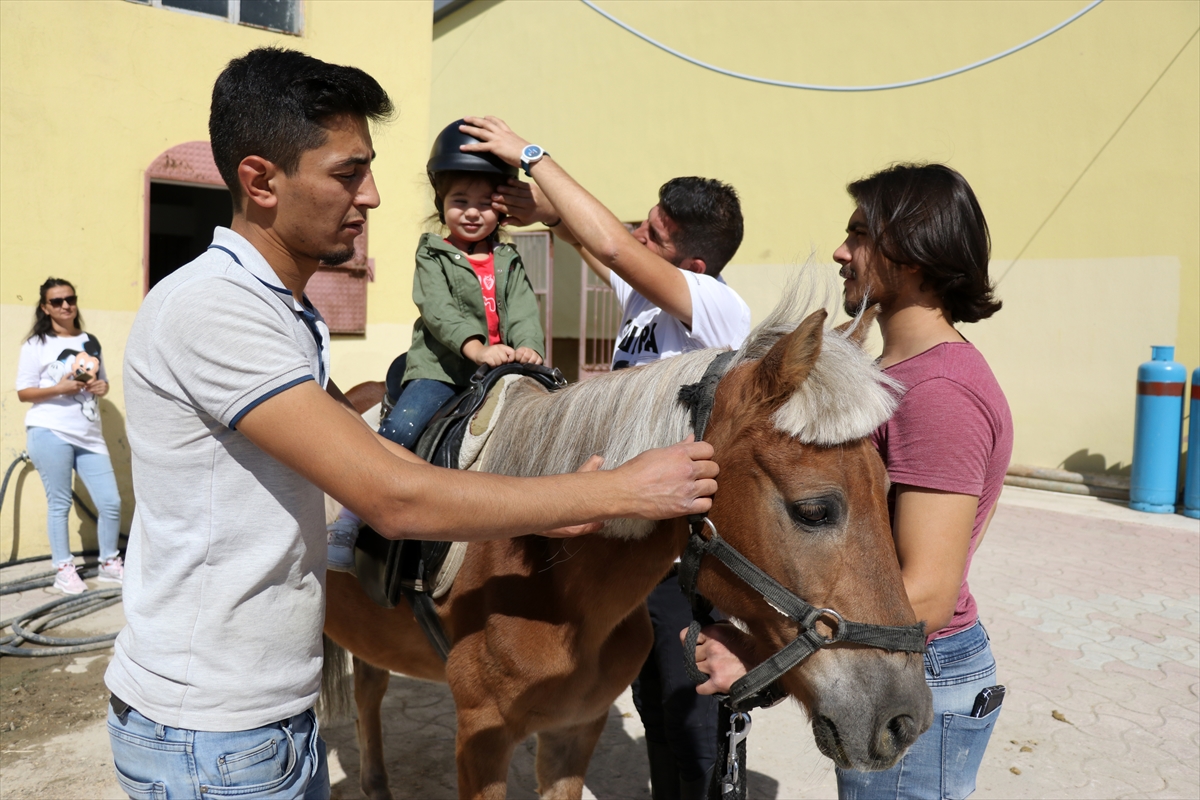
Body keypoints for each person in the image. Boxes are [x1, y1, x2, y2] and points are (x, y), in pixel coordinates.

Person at [104, 49, 718, 800]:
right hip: (215, 733)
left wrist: (544, 489)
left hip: (262, 720)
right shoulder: (217, 309)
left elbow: (365, 446)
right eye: (348, 173)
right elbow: (392, 496)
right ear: (261, 181)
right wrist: (614, 493)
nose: (372, 196)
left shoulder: (281, 310)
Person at [689, 163, 1013, 800]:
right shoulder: (894, 373)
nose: (842, 252)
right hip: (882, 653)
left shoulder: (938, 393)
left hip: (910, 663)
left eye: (861, 235)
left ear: (915, 256)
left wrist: (768, 659)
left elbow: (929, 592)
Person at [472, 117, 750, 800]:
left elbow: (612, 247)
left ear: (692, 266)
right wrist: (546, 214)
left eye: (653, 234)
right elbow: (594, 244)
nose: (636, 235)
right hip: (628, 531)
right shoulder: (647, 302)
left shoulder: (715, 307)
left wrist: (533, 156)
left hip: (678, 548)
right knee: (652, 701)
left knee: (693, 718)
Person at [326, 120, 547, 572]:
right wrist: (477, 348)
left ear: (501, 210)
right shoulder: (432, 253)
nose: (472, 212)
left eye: (484, 203)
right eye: (460, 201)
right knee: (402, 430)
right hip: (442, 370)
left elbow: (524, 307)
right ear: (441, 205)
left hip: (500, 371)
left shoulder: (507, 258)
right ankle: (349, 519)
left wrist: (529, 347)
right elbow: (438, 308)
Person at [15, 278, 123, 594]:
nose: (66, 305)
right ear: (45, 308)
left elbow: (102, 382)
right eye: (57, 301)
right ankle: (64, 569)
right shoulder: (35, 345)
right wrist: (58, 388)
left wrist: (102, 387)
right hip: (50, 431)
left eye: (70, 299)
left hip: (89, 436)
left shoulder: (90, 341)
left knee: (111, 502)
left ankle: (108, 563)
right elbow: (23, 392)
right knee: (59, 503)